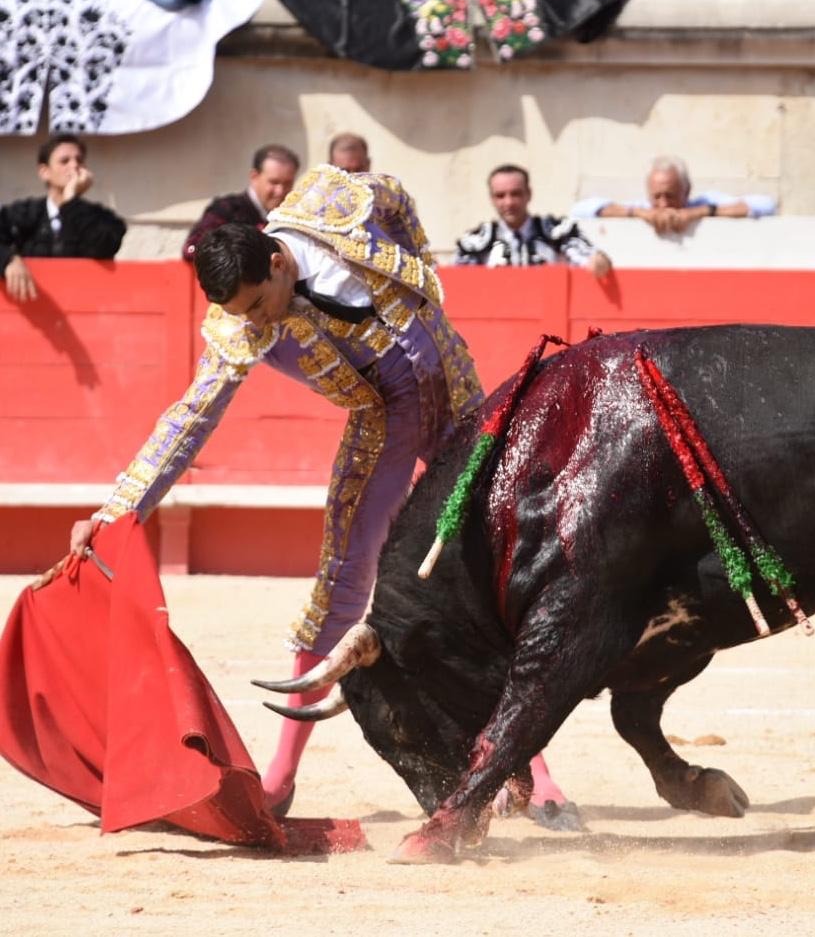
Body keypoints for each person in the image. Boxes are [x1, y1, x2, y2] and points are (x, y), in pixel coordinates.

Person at [64, 167, 493, 817]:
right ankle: (282, 776)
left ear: (276, 257)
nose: (258, 322)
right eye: (245, 314)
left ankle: (528, 769)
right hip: (385, 418)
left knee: (492, 561)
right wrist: (119, 508)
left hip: (455, 389)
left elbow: (397, 195)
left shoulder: (332, 197)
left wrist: (420, 269)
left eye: (260, 302)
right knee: (343, 580)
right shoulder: (240, 324)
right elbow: (190, 417)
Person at [0, 133, 127, 304]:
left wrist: (71, 202)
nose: (74, 166)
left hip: (85, 315)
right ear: (45, 172)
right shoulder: (23, 213)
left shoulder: (101, 218)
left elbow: (102, 246)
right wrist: (8, 259)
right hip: (29, 318)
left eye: (79, 160)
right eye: (64, 161)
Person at [456, 164, 612, 279]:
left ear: (528, 194)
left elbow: (588, 258)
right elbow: (459, 281)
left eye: (516, 194)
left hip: (551, 320)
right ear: (492, 199)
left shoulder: (556, 232)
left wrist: (598, 260)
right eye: (500, 196)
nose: (509, 202)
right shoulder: (475, 242)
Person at [570, 154, 777, 236]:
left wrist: (699, 213)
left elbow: (766, 205)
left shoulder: (702, 203)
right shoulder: (642, 208)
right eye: (657, 196)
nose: (663, 204)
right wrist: (639, 214)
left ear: (686, 191)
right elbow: (579, 210)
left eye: (671, 195)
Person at [182, 143, 300, 261]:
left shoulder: (295, 217)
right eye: (274, 182)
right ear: (254, 177)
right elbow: (191, 248)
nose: (280, 191)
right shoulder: (226, 209)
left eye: (288, 183)